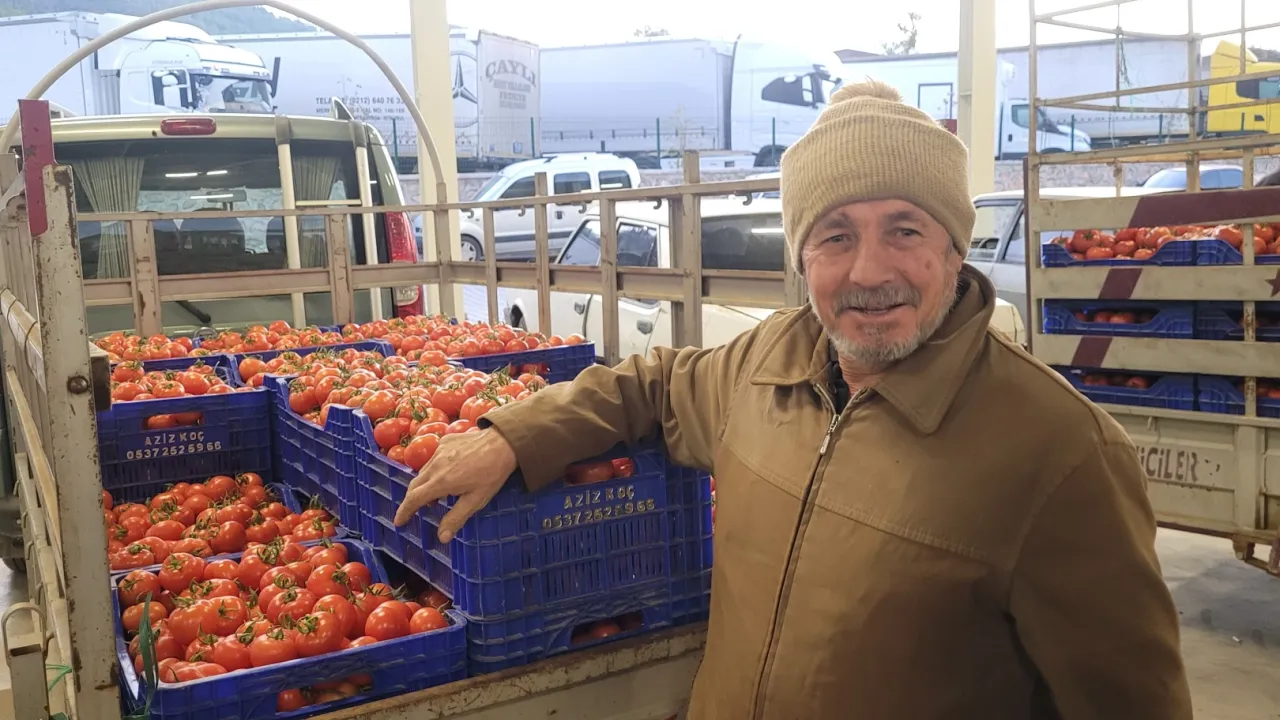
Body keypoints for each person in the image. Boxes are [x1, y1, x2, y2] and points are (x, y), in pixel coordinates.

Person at [394, 79, 1193, 718]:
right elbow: (654, 382)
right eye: (835, 235)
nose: (869, 270)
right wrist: (513, 434)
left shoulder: (1060, 454)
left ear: (955, 249)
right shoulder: (763, 365)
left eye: (905, 230)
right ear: (802, 256)